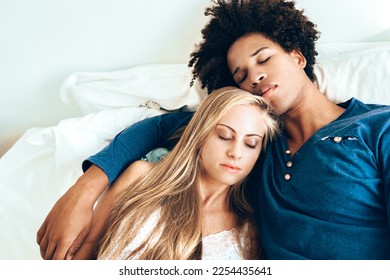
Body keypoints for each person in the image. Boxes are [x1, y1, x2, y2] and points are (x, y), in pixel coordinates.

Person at [37, 0, 390, 260]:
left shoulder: (377, 127)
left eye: (264, 59)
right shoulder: (252, 137)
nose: (254, 76)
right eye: (241, 75)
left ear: (298, 56)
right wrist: (83, 192)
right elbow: (156, 128)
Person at [69, 87, 279, 259]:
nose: (236, 153)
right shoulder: (140, 178)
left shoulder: (249, 231)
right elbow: (85, 254)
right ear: (200, 135)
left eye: (251, 144)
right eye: (224, 136)